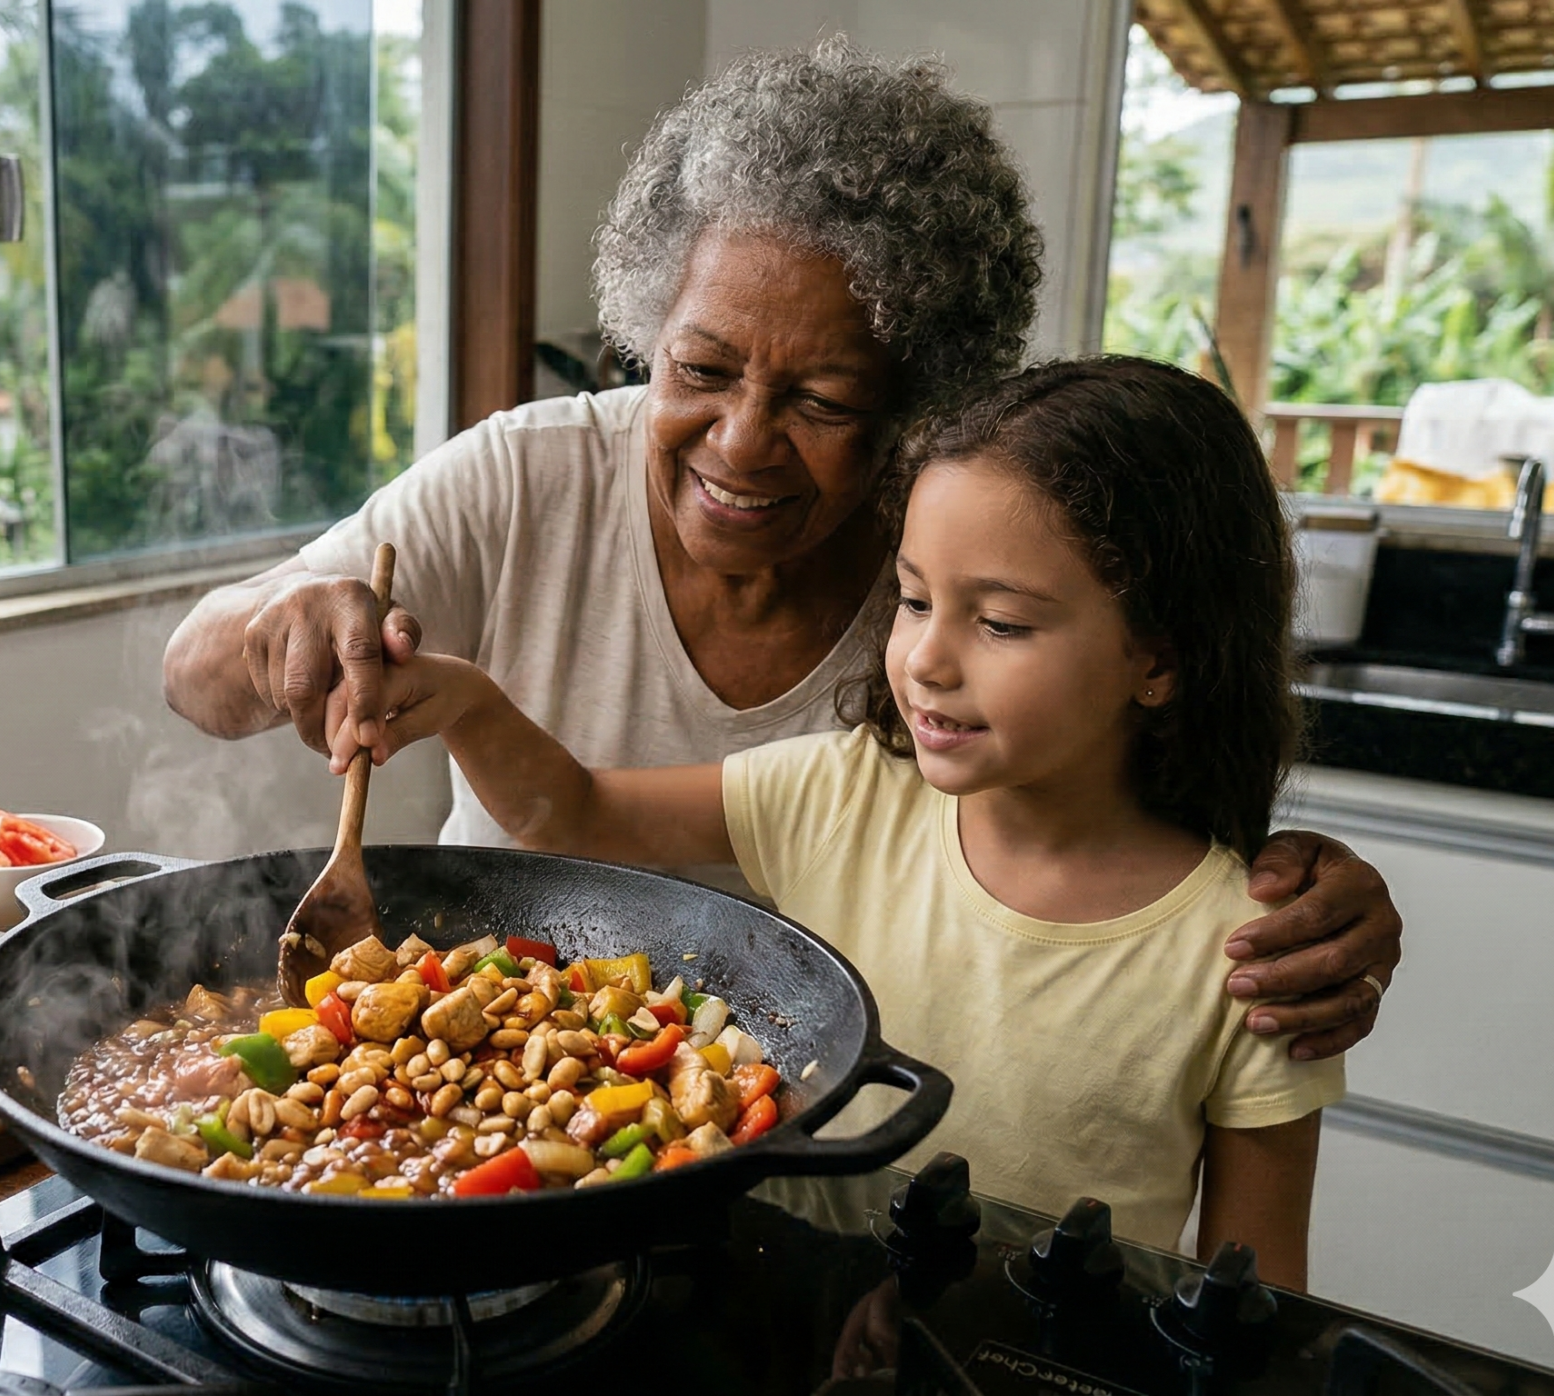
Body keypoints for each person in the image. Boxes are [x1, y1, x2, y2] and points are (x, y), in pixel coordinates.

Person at [163, 41, 1401, 1063]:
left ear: (915, 399)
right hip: (473, 1047)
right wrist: (281, 624)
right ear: (649, 334)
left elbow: (1118, 816)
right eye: (700, 371)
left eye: (822, 399)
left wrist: (1285, 890)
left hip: (819, 1114)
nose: (742, 444)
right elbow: (195, 675)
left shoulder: (955, 565)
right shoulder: (523, 474)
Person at [328, 358, 1338, 1283]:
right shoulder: (848, 791)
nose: (926, 660)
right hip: (782, 1329)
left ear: (1158, 660)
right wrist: (467, 704)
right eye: (910, 599)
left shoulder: (1258, 954)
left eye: (999, 622)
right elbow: (576, 811)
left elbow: (1260, 1302)